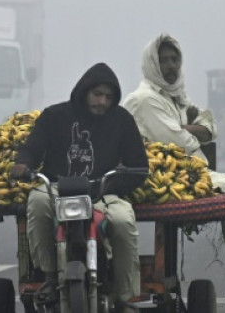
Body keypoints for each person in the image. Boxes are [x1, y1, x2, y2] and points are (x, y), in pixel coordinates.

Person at [122, 34, 225, 310]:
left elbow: (208, 125)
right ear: (152, 64)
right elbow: (181, 142)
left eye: (175, 59)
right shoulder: (144, 99)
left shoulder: (174, 96)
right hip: (162, 176)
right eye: (163, 60)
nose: (171, 65)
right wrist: (196, 130)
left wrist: (195, 129)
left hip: (187, 170)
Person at [11, 62, 150, 310]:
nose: (102, 102)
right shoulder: (54, 116)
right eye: (97, 94)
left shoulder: (122, 120)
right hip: (58, 189)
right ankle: (50, 275)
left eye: (108, 97)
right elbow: (32, 148)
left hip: (103, 192)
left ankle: (125, 295)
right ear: (84, 91)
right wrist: (23, 164)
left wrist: (110, 185)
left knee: (124, 221)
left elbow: (138, 166)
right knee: (38, 200)